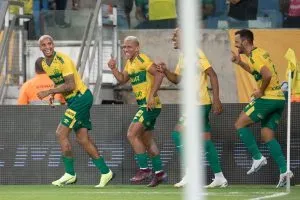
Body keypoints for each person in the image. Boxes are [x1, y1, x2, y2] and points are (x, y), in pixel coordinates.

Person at [36, 35, 114, 187]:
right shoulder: (45, 64)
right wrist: (53, 94)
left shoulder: (63, 60)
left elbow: (70, 85)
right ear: (40, 48)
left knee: (60, 133)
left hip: (80, 98)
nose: (47, 47)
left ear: (54, 44)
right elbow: (60, 82)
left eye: (49, 43)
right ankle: (106, 172)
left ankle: (70, 174)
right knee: (82, 139)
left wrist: (48, 91)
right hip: (74, 100)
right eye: (43, 45)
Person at [156, 28, 228, 188]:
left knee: (177, 134)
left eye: (176, 35)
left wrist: (216, 99)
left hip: (199, 103)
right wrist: (166, 71)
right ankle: (219, 177)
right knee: (205, 141)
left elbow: (213, 74)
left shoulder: (195, 53)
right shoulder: (184, 56)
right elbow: (177, 79)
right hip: (197, 104)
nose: (173, 37)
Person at [231, 29, 293, 188]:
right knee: (267, 135)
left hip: (268, 98)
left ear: (245, 42)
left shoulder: (256, 55)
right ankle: (285, 170)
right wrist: (240, 63)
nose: (236, 45)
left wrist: (260, 91)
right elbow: (256, 72)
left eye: (237, 42)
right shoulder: (258, 54)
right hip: (279, 99)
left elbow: (266, 75)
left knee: (239, 124)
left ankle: (257, 157)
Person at [107, 36, 167, 187]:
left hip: (149, 105)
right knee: (147, 141)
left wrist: (152, 96)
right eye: (124, 47)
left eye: (129, 47)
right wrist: (114, 68)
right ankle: (159, 173)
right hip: (145, 105)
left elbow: (159, 74)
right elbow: (122, 79)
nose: (126, 50)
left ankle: (144, 170)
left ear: (137, 48)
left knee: (131, 134)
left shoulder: (142, 59)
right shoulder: (130, 63)